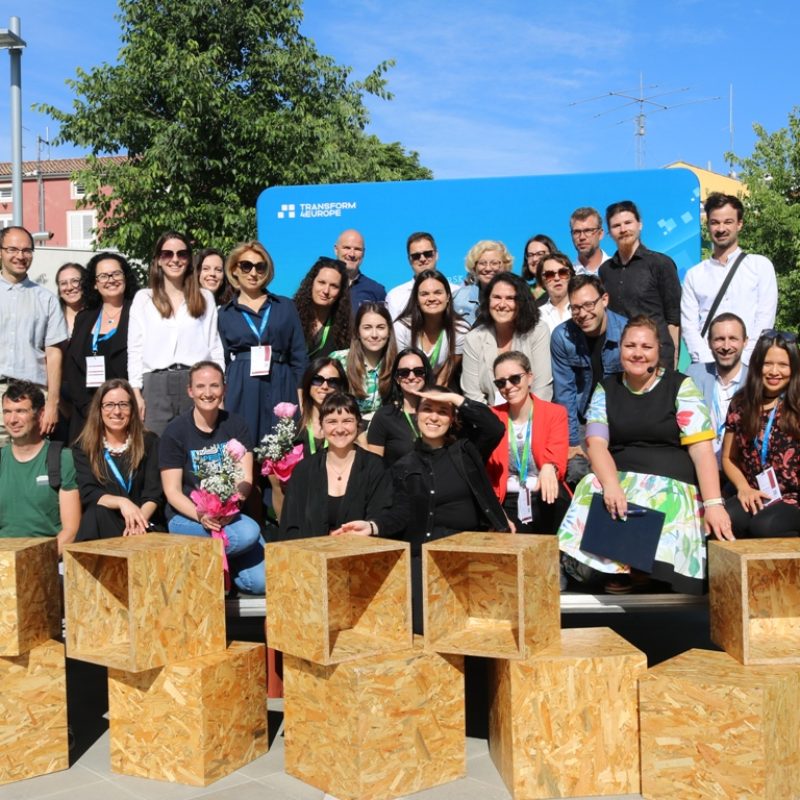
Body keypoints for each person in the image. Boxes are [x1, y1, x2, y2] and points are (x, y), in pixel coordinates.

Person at [558, 316, 732, 595]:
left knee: (656, 493)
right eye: (630, 345)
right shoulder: (606, 387)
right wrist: (612, 484)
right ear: (621, 349)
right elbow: (596, 444)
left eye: (646, 347)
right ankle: (615, 566)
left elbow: (701, 449)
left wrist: (713, 503)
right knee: (592, 485)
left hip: (670, 478)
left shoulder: (681, 385)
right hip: (621, 472)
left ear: (658, 351)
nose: (638, 353)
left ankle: (641, 566)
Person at [388, 387, 511, 632]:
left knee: (468, 632)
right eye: (427, 409)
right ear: (416, 415)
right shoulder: (403, 465)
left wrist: (454, 397)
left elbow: (494, 427)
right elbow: (398, 515)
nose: (433, 417)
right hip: (422, 560)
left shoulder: (465, 451)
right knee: (423, 630)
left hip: (464, 556)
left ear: (452, 418)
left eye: (442, 411)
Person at [159, 361, 265, 594]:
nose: (208, 393)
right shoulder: (175, 431)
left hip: (230, 516)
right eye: (200, 386)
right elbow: (172, 492)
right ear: (190, 391)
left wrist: (229, 506)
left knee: (262, 582)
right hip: (187, 517)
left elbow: (245, 478)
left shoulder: (236, 425)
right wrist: (201, 515)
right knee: (248, 533)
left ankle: (216, 565)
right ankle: (197, 567)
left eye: (215, 386)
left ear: (224, 389)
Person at [128, 231, 224, 436]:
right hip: (155, 384)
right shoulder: (143, 299)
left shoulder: (204, 297)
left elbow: (214, 347)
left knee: (199, 446)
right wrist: (136, 392)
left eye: (182, 254)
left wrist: (219, 388)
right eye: (167, 254)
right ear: (158, 260)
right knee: (157, 449)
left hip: (196, 382)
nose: (175, 259)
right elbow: (135, 349)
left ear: (189, 260)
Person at [217, 241, 307, 444]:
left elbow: (299, 355)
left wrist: (301, 396)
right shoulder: (224, 314)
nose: (253, 272)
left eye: (260, 266)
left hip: (281, 382)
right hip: (241, 386)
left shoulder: (285, 306)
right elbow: (220, 360)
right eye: (246, 266)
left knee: (282, 449)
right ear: (234, 270)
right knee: (242, 447)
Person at [278, 393, 394, 539]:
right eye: (332, 421)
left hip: (361, 556)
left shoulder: (375, 467)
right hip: (312, 557)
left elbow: (382, 517)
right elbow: (290, 527)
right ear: (321, 426)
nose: (340, 429)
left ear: (358, 424)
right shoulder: (304, 470)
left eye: (347, 421)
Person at [681, 192, 777, 365]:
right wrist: (708, 364)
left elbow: (765, 319)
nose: (721, 229)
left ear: (739, 224)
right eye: (715, 222)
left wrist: (745, 362)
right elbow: (689, 326)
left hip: (750, 366)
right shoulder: (694, 275)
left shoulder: (760, 266)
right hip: (707, 366)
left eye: (728, 222)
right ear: (707, 225)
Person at [722, 331, 800, 538]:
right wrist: (743, 488)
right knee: (726, 518)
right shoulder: (741, 403)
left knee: (764, 526)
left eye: (783, 365)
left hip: (794, 498)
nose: (775, 371)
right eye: (767, 363)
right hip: (757, 493)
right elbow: (729, 458)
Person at [550, 274, 627, 485]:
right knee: (576, 472)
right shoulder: (562, 336)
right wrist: (572, 442)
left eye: (588, 305)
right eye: (575, 308)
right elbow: (564, 394)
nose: (582, 314)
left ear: (604, 300)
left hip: (620, 419)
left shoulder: (626, 333)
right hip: (584, 420)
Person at [486, 351, 570, 533]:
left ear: (529, 377)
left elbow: (558, 454)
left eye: (515, 379)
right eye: (501, 382)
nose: (508, 386)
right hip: (507, 498)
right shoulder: (492, 417)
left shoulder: (554, 413)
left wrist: (550, 466)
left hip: (544, 495)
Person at [0, 226, 68, 444]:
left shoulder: (46, 299)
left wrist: (52, 404)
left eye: (26, 250)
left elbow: (54, 354)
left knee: (30, 468)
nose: (20, 256)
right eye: (12, 249)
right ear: (1, 251)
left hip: (33, 395)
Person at [73, 379, 163, 540]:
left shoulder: (149, 442)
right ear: (99, 410)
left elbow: (153, 493)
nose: (117, 411)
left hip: (144, 522)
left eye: (123, 404)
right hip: (106, 522)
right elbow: (89, 493)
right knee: (95, 514)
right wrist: (122, 502)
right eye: (109, 405)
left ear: (132, 409)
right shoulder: (84, 447)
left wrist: (137, 522)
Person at [64, 252, 139, 443]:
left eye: (116, 274)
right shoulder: (84, 317)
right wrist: (92, 409)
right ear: (95, 283)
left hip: (126, 413)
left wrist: (120, 408)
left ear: (125, 277)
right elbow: (72, 367)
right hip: (87, 415)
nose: (110, 280)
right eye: (103, 276)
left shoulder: (139, 313)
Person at [599, 201, 682, 367]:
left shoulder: (661, 263)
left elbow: (674, 319)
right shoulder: (605, 270)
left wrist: (672, 360)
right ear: (609, 233)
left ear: (639, 224)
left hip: (657, 357)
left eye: (628, 222)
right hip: (619, 359)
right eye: (616, 225)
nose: (623, 229)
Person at [0, 381, 80, 552]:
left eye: (21, 411)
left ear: (41, 414)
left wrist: (35, 562)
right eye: (7, 412)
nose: (13, 420)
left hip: (47, 561)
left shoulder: (61, 460)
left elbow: (70, 531)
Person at [461, 272, 552, 404]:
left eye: (510, 298)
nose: (502, 304)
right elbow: (472, 395)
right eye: (497, 297)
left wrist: (526, 421)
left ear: (521, 302)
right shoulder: (473, 338)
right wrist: (492, 423)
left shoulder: (537, 331)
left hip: (533, 415)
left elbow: (542, 389)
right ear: (488, 300)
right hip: (488, 418)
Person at [686, 313, 748, 463]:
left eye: (733, 338)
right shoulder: (693, 375)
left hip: (740, 472)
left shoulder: (756, 381)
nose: (726, 346)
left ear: (745, 342)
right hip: (700, 468)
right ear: (709, 343)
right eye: (719, 339)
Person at [393, 269, 468, 386]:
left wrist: (429, 400)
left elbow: (444, 378)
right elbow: (403, 373)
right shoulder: (402, 328)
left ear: (448, 296)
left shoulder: (460, 330)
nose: (432, 298)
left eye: (438, 292)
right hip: (407, 386)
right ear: (416, 299)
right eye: (424, 294)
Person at [367, 348, 434, 466]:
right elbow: (374, 468)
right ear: (397, 379)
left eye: (418, 371)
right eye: (404, 372)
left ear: (426, 375)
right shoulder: (384, 417)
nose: (411, 376)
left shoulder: (438, 414)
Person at [331, 302, 397, 419]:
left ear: (389, 331)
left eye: (381, 327)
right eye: (367, 328)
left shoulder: (399, 364)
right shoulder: (338, 360)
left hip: (386, 431)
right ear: (357, 331)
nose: (374, 334)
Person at [293, 256, 352, 359]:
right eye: (321, 282)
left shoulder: (345, 330)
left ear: (341, 292)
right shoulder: (290, 314)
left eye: (334, 286)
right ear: (311, 283)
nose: (326, 291)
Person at [386, 232, 448, 321]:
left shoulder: (455, 291)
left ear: (436, 254)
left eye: (427, 254)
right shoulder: (395, 296)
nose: (422, 259)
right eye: (416, 256)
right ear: (409, 259)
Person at [452, 239, 513, 327]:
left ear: (504, 266)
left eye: (494, 263)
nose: (488, 268)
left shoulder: (516, 296)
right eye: (482, 263)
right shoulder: (458, 298)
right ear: (474, 267)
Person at [297, 357, 348, 456]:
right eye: (317, 380)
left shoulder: (349, 427)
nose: (324, 386)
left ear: (340, 386)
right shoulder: (292, 427)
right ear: (308, 382)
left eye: (332, 381)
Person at [334, 229, 386, 310]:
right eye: (347, 248)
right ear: (336, 250)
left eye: (357, 249)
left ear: (364, 252)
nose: (352, 254)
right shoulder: (323, 286)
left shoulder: (376, 290)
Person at [537, 252, 575, 332]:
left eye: (563, 272)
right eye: (549, 274)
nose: (557, 278)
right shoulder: (536, 316)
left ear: (571, 275)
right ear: (541, 280)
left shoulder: (583, 309)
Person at [569, 207, 610, 275]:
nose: (582, 237)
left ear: (600, 234)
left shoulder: (617, 269)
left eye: (588, 231)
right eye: (577, 232)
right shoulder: (567, 275)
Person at [520, 234, 557, 302]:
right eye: (530, 255)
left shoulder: (561, 289)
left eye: (540, 254)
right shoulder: (521, 292)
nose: (534, 259)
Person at [56, 262, 87, 337]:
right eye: (63, 283)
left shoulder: (98, 315)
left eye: (75, 281)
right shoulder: (52, 317)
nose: (69, 287)